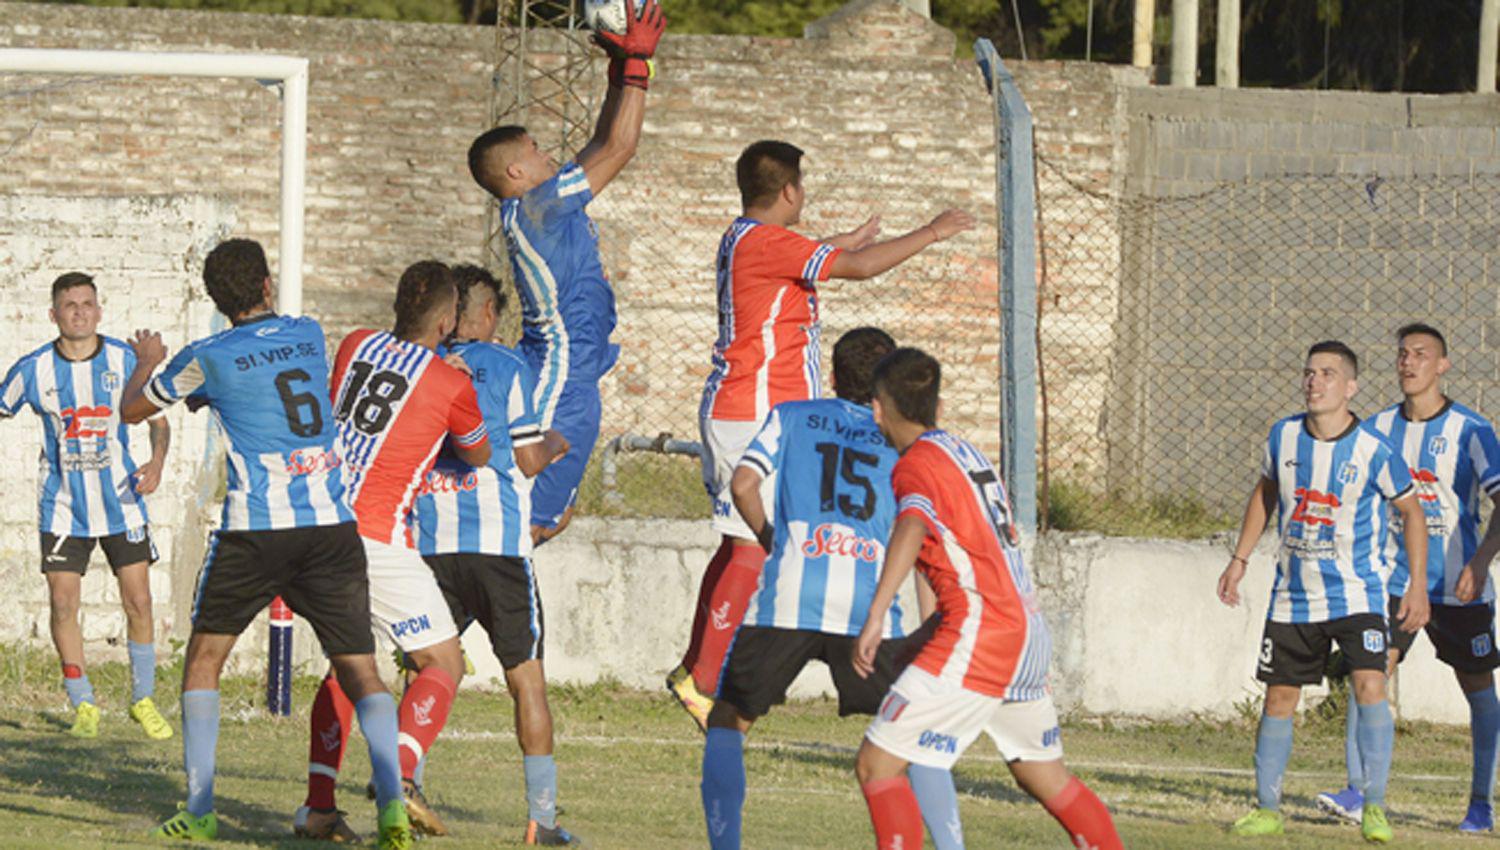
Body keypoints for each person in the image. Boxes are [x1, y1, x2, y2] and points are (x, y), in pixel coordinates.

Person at [671, 139, 977, 731]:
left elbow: (824, 257)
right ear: (789, 191)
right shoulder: (765, 243)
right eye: (802, 186)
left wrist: (839, 245)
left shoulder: (749, 237)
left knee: (737, 543)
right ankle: (703, 680)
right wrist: (931, 232)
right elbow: (858, 271)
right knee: (747, 547)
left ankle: (696, 666)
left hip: (742, 405)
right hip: (754, 405)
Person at [119, 239, 413, 848]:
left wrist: (146, 360)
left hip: (256, 532)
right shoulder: (307, 333)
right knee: (361, 670)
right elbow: (268, 381)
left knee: (203, 662)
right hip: (331, 528)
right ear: (266, 285)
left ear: (216, 300)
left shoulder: (208, 355)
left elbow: (133, 409)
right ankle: (393, 813)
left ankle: (199, 811)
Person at [699, 327, 961, 850]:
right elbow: (924, 540)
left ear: (833, 374)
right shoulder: (905, 441)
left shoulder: (791, 416)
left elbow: (743, 484)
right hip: (869, 609)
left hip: (790, 596)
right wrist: (935, 627)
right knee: (913, 738)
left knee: (728, 719)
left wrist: (776, 540)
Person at [851, 347, 1121, 850]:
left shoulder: (915, 466)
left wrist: (874, 615)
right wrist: (924, 637)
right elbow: (967, 555)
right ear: (938, 405)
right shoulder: (964, 452)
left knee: (877, 763)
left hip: (983, 633)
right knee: (1044, 776)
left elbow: (913, 524)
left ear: (877, 410)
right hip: (1024, 631)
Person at [299, 260, 492, 840]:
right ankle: (401, 777)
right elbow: (476, 452)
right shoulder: (451, 382)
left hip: (320, 523)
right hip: (376, 535)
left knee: (348, 667)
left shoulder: (356, 344)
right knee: (443, 661)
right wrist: (452, 382)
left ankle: (319, 808)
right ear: (448, 321)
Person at [466, 0, 665, 548]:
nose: (548, 153)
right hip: (561, 375)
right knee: (529, 522)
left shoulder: (541, 204)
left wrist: (614, 74)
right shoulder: (539, 207)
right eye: (535, 149)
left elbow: (602, 145)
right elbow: (621, 148)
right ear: (515, 171)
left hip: (573, 372)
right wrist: (638, 66)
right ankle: (458, 620)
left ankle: (476, 613)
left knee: (552, 517)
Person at [1218, 340, 1430, 843]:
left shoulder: (1373, 450)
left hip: (1357, 595)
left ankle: (1373, 806)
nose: (1315, 382)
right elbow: (1266, 491)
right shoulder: (1284, 436)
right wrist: (1239, 557)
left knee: (1370, 687)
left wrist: (1416, 586)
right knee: (1280, 698)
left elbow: (1413, 513)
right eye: (1310, 373)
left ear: (1350, 387)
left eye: (1328, 374)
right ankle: (1267, 808)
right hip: (1294, 596)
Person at [410, 265, 577, 845]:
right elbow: (529, 459)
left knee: (425, 669)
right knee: (526, 680)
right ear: (483, 315)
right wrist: (559, 443)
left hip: (429, 542)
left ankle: (408, 780)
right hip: (498, 548)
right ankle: (542, 819)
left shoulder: (421, 364)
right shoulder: (507, 367)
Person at [1314, 323, 1500, 833]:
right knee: (1370, 674)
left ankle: (1481, 803)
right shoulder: (1375, 429)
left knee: (1479, 690)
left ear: (1442, 365)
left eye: (1421, 354)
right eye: (1402, 354)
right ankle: (1358, 791)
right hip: (1394, 583)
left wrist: (1480, 560)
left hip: (1458, 587)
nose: (1408, 362)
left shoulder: (1472, 430)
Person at [0, 272, 173, 741]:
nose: (79, 312)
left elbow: (158, 422)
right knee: (63, 603)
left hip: (122, 502)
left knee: (138, 601)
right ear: (53, 315)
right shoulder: (33, 369)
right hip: (63, 508)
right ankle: (83, 703)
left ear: (99, 310)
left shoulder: (124, 359)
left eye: (87, 303)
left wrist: (156, 463)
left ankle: (143, 699)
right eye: (69, 305)